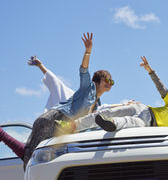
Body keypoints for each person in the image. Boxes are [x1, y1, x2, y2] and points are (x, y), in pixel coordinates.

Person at [22, 32, 113, 169]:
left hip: (63, 126)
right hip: (53, 119)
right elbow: (83, 71)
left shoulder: (97, 104)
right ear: (98, 80)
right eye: (107, 79)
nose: (109, 83)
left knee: (47, 162)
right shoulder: (87, 88)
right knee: (32, 160)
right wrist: (88, 52)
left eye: (112, 81)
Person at [92, 56, 168, 132]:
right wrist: (150, 71)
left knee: (130, 122)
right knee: (114, 111)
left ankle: (112, 123)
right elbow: (161, 88)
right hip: (144, 110)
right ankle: (96, 116)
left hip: (149, 123)